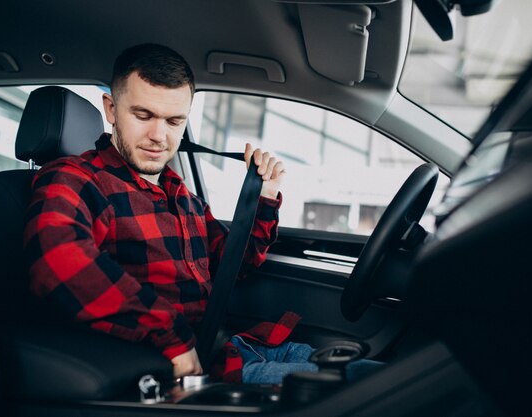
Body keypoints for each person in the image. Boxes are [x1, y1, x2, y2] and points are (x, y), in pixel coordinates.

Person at [24, 43, 379, 384]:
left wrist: (265, 198)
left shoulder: (180, 194)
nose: (158, 136)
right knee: (362, 388)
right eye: (143, 115)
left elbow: (234, 268)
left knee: (374, 372)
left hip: (229, 347)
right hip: (177, 365)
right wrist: (170, 335)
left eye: (175, 121)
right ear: (111, 109)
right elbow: (57, 260)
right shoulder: (75, 179)